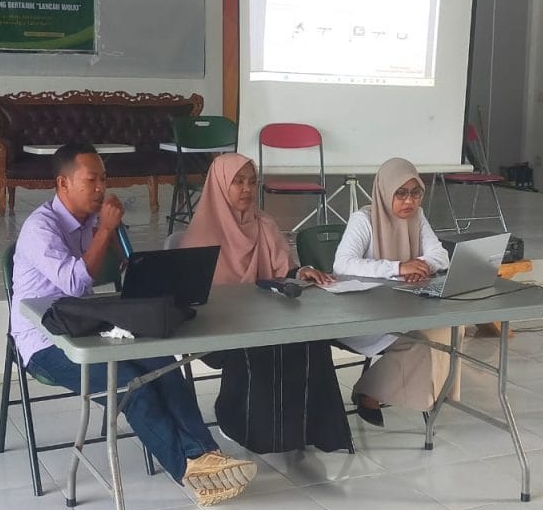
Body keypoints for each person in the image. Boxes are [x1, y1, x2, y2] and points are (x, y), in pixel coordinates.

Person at [10, 143, 257, 506]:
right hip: (44, 342)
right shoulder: (40, 228)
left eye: (104, 179)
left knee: (161, 363)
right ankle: (189, 468)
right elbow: (75, 282)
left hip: (85, 325)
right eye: (91, 180)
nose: (101, 188)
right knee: (129, 385)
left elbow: (124, 267)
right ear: (63, 184)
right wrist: (105, 231)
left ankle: (208, 454)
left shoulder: (92, 219)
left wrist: (121, 247)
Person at [179, 152, 352, 454]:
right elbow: (194, 298)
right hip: (218, 328)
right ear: (219, 184)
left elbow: (284, 271)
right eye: (238, 182)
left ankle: (310, 431)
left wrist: (302, 272)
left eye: (252, 182)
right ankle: (246, 427)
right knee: (261, 344)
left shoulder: (264, 224)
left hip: (267, 318)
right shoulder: (200, 235)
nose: (247, 189)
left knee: (312, 340)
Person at [333, 157, 459, 426]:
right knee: (423, 343)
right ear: (384, 191)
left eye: (415, 193)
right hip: (363, 315)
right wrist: (398, 267)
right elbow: (342, 264)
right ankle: (369, 391)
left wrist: (420, 265)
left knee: (451, 329)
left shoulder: (418, 217)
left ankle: (428, 392)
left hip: (405, 309)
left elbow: (441, 256)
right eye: (400, 193)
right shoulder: (364, 219)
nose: (409, 201)